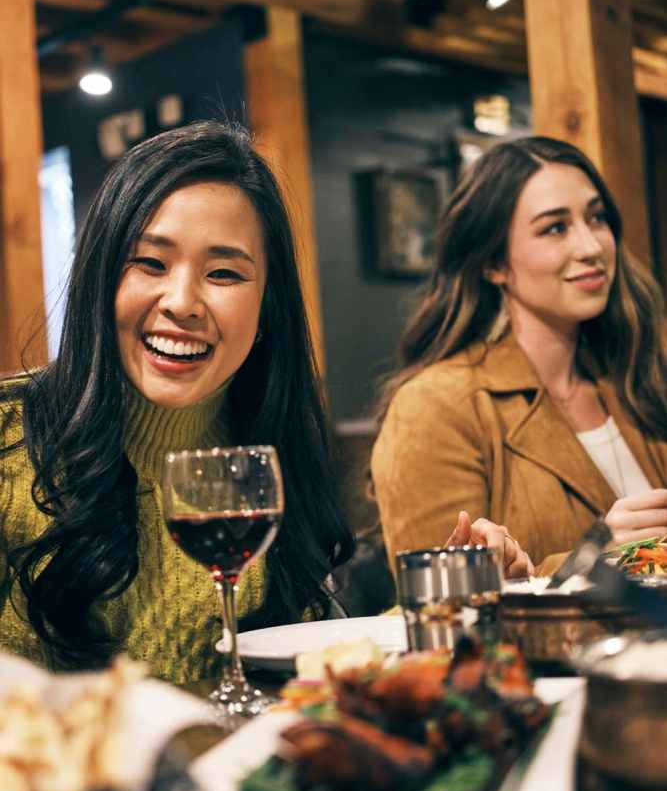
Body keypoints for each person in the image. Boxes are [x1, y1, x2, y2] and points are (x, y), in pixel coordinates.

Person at [0, 120, 354, 682]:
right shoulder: (9, 440)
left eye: (223, 273)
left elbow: (320, 671)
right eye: (150, 263)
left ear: (267, 308)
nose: (183, 302)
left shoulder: (271, 456)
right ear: (100, 279)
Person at [372, 136, 667, 575]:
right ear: (494, 264)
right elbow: (444, 608)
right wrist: (604, 559)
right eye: (555, 227)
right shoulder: (435, 406)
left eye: (597, 218)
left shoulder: (635, 373)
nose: (591, 246)